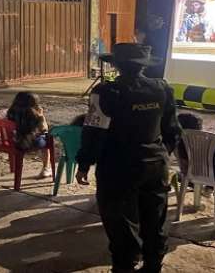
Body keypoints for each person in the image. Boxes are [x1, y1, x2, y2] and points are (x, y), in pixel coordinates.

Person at [76, 43, 181, 273]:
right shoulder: (162, 88)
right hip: (155, 164)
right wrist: (160, 154)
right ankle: (153, 265)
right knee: (155, 217)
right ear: (144, 65)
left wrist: (84, 163)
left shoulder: (105, 93)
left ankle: (125, 266)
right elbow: (173, 130)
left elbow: (93, 131)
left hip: (118, 166)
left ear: (116, 65)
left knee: (120, 221)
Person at [6, 92, 52, 178]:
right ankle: (46, 168)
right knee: (47, 140)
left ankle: (15, 167)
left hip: (12, 142)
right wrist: (42, 116)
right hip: (27, 143)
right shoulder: (33, 114)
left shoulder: (11, 112)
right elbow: (44, 129)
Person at [176, 113, 203, 178]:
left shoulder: (178, 141)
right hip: (202, 174)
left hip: (185, 172)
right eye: (199, 126)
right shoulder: (201, 142)